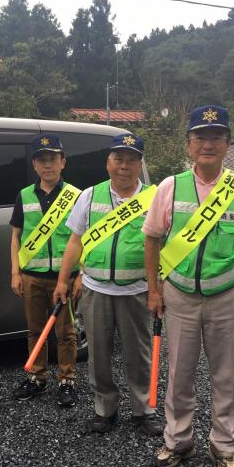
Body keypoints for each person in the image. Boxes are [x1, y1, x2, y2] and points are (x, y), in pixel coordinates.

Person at [143, 105, 234, 467]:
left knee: (224, 374)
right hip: (180, 294)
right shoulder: (170, 186)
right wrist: (154, 290)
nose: (208, 144)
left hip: (227, 294)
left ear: (228, 144)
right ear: (188, 144)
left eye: (216, 137)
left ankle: (226, 446)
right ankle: (179, 439)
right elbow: (152, 239)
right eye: (200, 137)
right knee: (180, 372)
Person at [53, 133, 163, 436]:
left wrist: (158, 288)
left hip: (137, 290)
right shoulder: (89, 195)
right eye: (118, 158)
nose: (124, 165)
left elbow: (164, 246)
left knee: (138, 353)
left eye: (131, 159)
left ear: (140, 164)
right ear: (108, 162)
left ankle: (143, 409)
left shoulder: (155, 198)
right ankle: (105, 410)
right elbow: (75, 240)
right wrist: (64, 279)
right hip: (95, 289)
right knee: (98, 354)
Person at [10, 134, 82, 407]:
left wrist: (81, 274)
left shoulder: (76, 196)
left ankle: (67, 380)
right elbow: (16, 236)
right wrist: (15, 272)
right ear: (35, 165)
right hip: (32, 276)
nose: (48, 165)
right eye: (42, 160)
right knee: (34, 329)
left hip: (64, 278)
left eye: (53, 159)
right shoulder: (24, 195)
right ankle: (37, 378)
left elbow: (85, 237)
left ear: (63, 162)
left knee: (66, 333)